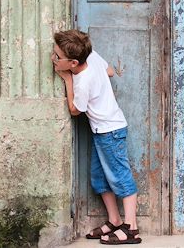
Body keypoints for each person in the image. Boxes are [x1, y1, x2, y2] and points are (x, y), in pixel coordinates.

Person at [52, 29, 141, 245]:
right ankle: (114, 220)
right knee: (100, 180)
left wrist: (67, 79)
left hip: (111, 131)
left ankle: (131, 228)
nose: (53, 59)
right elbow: (109, 71)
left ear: (73, 63)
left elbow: (75, 110)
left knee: (121, 177)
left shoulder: (82, 82)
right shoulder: (91, 56)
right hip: (102, 132)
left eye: (58, 57)